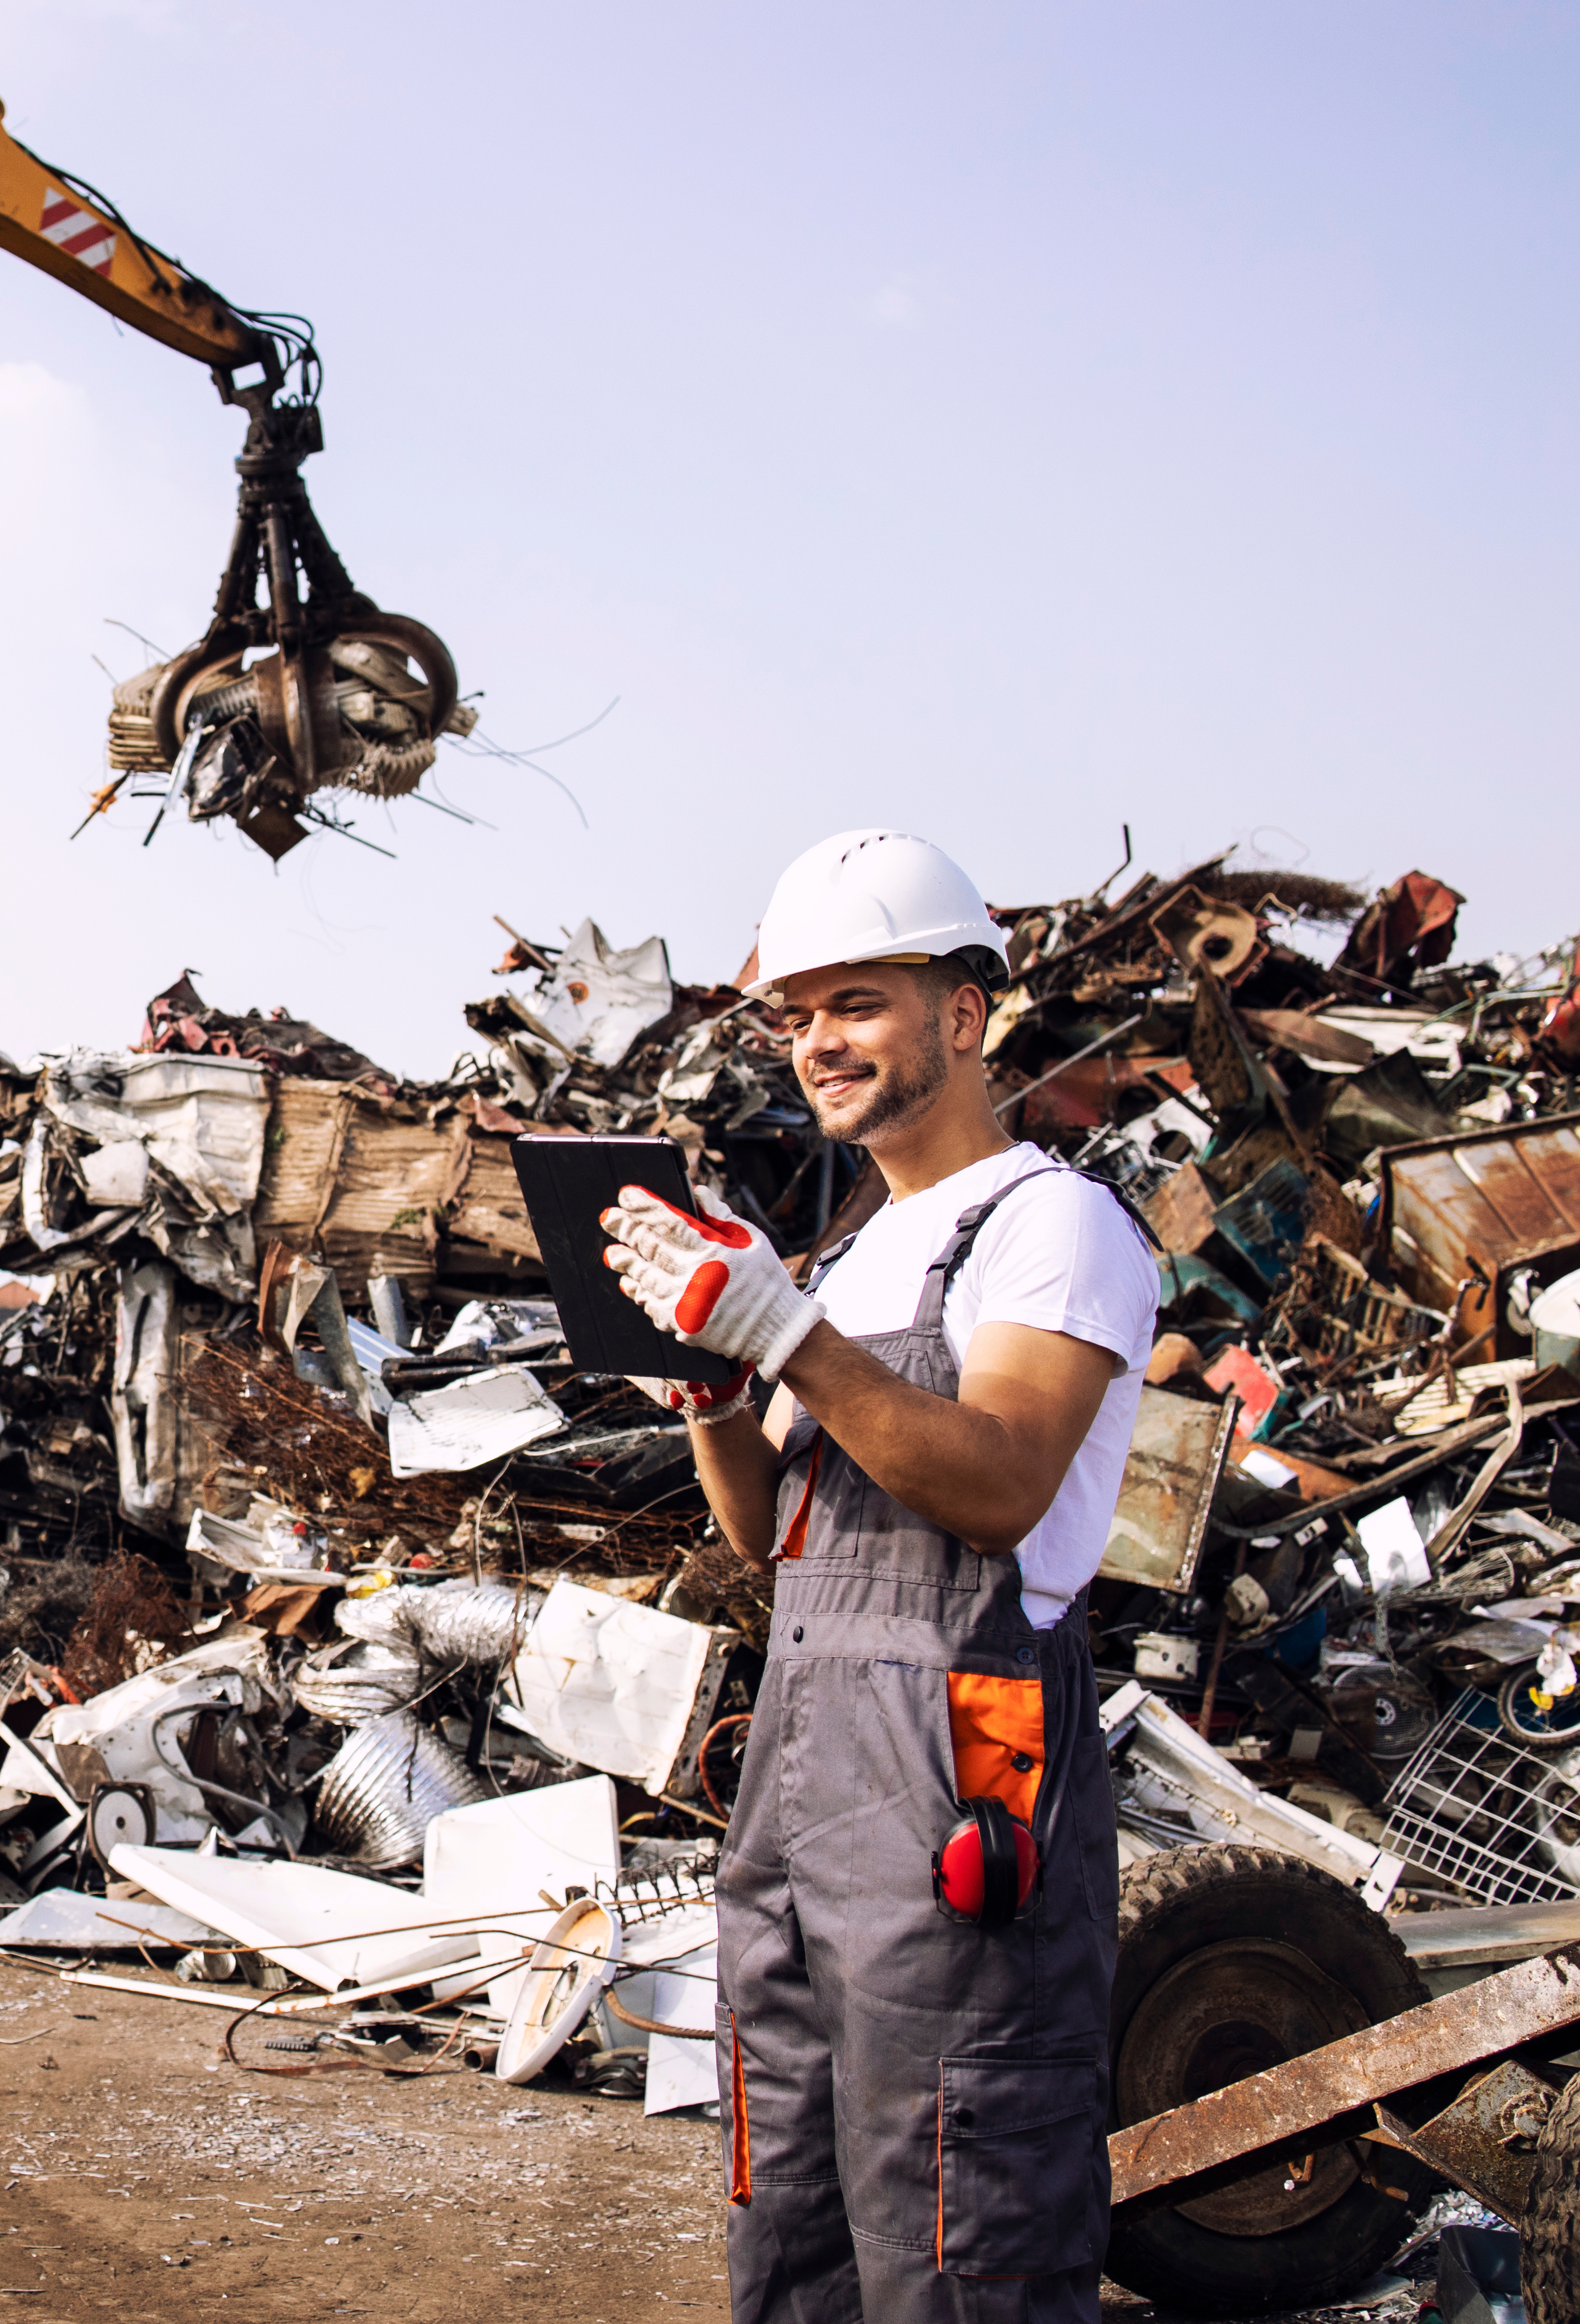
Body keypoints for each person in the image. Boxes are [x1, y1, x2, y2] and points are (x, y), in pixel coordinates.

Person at [598, 829, 1158, 2324]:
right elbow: (761, 1528)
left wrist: (783, 1334)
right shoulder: (850, 1259)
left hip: (961, 1766)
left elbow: (998, 1481)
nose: (816, 1046)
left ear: (963, 1014)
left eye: (856, 1003)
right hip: (804, 1780)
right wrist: (710, 1383)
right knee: (794, 2216)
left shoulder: (1055, 1226)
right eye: (796, 1015)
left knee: (961, 2220)